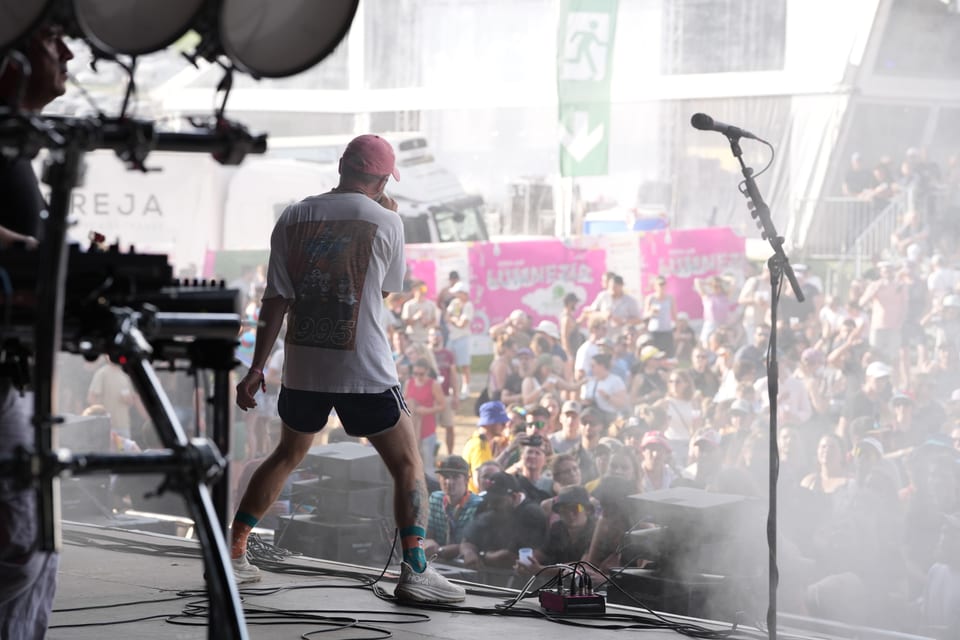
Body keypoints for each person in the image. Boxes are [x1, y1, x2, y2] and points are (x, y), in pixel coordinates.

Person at [231, 134, 464, 603]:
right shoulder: (387, 221)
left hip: (303, 366)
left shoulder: (294, 216)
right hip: (365, 369)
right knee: (407, 464)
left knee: (286, 455)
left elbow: (274, 298)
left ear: (341, 167)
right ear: (380, 179)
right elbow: (379, 293)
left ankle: (234, 555)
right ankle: (415, 571)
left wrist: (257, 368)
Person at [0, 21, 74, 639]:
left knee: (35, 545)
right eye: (54, 40)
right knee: (23, 543)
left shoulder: (17, 140)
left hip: (14, 361)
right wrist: (28, 247)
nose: (71, 53)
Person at [423, 455, 482, 562]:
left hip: (465, 564)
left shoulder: (477, 505)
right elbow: (427, 535)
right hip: (437, 561)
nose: (449, 482)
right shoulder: (435, 499)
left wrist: (440, 550)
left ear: (467, 480)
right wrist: (427, 542)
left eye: (455, 477)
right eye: (445, 477)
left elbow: (471, 545)